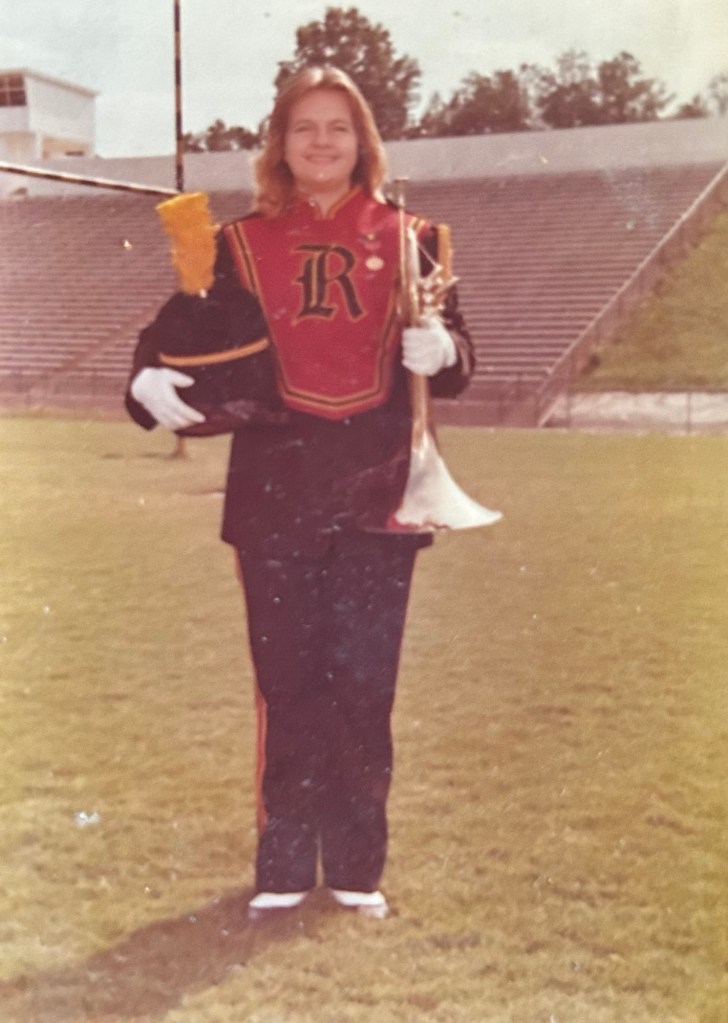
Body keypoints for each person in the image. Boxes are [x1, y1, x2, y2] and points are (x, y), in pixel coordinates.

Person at [126, 66, 474, 921]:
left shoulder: (417, 236)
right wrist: (143, 381)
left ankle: (355, 864)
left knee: (364, 684)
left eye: (339, 128)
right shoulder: (236, 246)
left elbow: (462, 352)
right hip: (275, 493)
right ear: (279, 144)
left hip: (379, 489)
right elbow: (172, 338)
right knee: (288, 686)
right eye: (304, 127)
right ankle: (284, 861)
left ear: (365, 144)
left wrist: (446, 353)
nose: (322, 142)